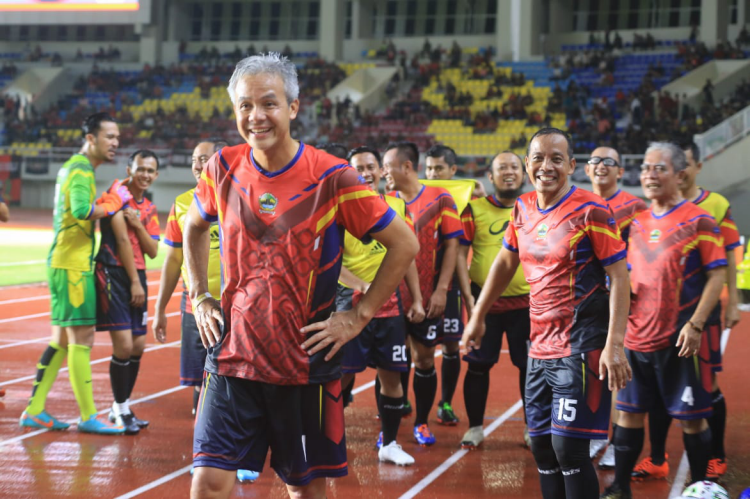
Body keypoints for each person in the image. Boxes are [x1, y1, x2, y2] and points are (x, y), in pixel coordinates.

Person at [183, 53, 418, 499]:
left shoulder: (332, 176)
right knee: (208, 484)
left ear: (293, 107)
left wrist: (358, 316)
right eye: (245, 106)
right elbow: (193, 225)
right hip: (233, 354)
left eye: (268, 104)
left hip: (304, 362)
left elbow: (404, 243)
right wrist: (198, 295)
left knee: (303, 488)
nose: (256, 117)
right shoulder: (222, 167)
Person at [463, 128, 632, 499]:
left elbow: (619, 277)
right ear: (527, 164)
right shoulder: (521, 208)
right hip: (538, 346)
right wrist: (478, 316)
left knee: (569, 451)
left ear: (572, 165)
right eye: (538, 158)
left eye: (557, 158)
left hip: (580, 347)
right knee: (542, 449)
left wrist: (614, 344)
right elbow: (505, 262)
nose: (546, 166)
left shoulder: (591, 209)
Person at [600, 142, 726, 499]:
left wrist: (697, 323)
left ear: (679, 174)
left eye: (659, 169)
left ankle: (698, 488)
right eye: (645, 169)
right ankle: (620, 488)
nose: (650, 176)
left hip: (680, 341)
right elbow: (625, 276)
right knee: (627, 414)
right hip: (637, 338)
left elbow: (717, 276)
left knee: (692, 418)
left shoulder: (699, 219)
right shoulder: (636, 222)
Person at [631, 142, 742, 482]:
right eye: (649, 168)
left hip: (699, 315)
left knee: (706, 389)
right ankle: (658, 456)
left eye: (687, 165)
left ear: (688, 170)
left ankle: (715, 458)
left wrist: (732, 301)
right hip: (654, 323)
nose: (654, 174)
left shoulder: (713, 207)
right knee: (658, 392)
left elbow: (727, 259)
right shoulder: (645, 216)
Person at [19, 112, 130, 435]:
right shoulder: (81, 171)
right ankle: (88, 416)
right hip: (71, 267)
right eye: (109, 136)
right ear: (91, 138)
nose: (115, 143)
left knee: (62, 341)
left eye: (118, 137)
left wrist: (106, 199)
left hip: (64, 262)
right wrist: (114, 202)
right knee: (82, 339)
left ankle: (35, 410)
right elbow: (83, 211)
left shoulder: (74, 167)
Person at [337, 145, 424, 466]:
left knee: (392, 376)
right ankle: (328, 440)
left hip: (390, 309)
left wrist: (415, 298)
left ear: (381, 170)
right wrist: (361, 285)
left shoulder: (396, 206)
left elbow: (408, 255)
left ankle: (389, 443)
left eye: (371, 166)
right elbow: (330, 263)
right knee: (341, 377)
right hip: (352, 308)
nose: (366, 173)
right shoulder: (339, 210)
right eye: (358, 167)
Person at [384, 141, 463, 445]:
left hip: (429, 295)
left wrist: (442, 290)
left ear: (406, 167)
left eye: (387, 166)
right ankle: (392, 423)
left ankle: (422, 422)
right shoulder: (386, 200)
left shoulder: (440, 198)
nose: (382, 172)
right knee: (392, 360)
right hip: (391, 297)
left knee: (425, 359)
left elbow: (453, 245)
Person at [456, 151, 531, 449]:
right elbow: (460, 256)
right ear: (490, 177)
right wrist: (469, 300)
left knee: (530, 369)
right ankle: (475, 427)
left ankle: (532, 429)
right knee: (477, 365)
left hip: (527, 305)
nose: (509, 172)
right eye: (502, 168)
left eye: (514, 167)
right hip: (482, 304)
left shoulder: (536, 208)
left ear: (523, 174)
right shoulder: (473, 209)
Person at [584, 146, 647, 467]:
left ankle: (617, 442)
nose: (601, 166)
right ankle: (596, 435)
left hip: (623, 302)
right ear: (586, 169)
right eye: (595, 160)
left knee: (618, 371)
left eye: (610, 162)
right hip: (586, 302)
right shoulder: (579, 203)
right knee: (592, 371)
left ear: (621, 171)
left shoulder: (635, 207)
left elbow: (647, 251)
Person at [95, 149, 160, 434]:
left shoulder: (149, 208)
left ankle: (121, 406)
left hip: (138, 275)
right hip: (114, 272)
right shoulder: (118, 192)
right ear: (129, 168)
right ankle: (120, 409)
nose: (145, 175)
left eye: (150, 171)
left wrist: (138, 224)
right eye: (140, 168)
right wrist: (134, 281)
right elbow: (121, 239)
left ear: (156, 175)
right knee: (123, 345)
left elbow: (153, 250)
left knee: (137, 346)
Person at [424, 144, 466, 426]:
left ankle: (446, 403)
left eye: (438, 168)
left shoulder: (466, 202)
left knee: (451, 347)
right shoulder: (415, 197)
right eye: (428, 168)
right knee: (412, 346)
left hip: (450, 288)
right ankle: (401, 399)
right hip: (417, 285)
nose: (432, 173)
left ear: (452, 170)